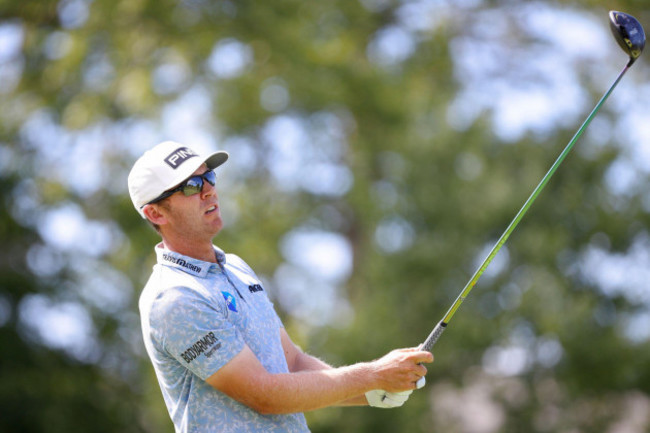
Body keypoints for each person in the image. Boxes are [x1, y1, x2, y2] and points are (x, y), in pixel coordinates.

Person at [128, 141, 433, 433]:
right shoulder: (174, 297)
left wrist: (370, 390)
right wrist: (372, 375)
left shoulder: (235, 267)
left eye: (208, 177)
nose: (209, 191)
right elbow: (264, 395)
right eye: (191, 187)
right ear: (155, 213)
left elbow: (293, 362)